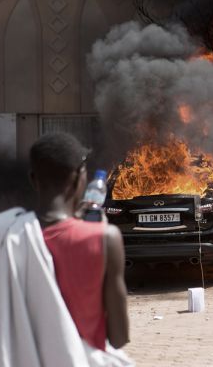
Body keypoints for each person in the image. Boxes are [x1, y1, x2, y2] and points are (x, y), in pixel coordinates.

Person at [29, 132, 129, 350]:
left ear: (33, 179)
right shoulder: (105, 238)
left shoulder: (5, 235)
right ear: (80, 176)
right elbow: (119, 337)